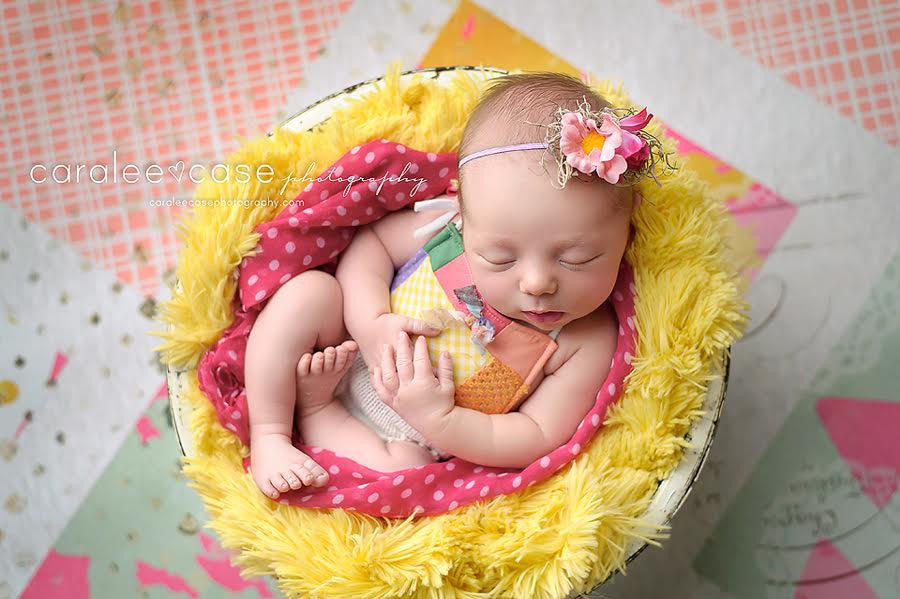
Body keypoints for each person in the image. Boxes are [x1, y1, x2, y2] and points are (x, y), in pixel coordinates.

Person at [245, 71, 652, 500]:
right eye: (500, 258)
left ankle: (316, 411)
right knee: (309, 293)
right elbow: (371, 246)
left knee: (410, 470)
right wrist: (371, 323)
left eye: (577, 259)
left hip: (398, 436)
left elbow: (537, 434)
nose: (537, 283)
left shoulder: (586, 338)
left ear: (626, 230)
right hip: (344, 343)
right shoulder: (446, 226)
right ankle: (269, 431)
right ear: (463, 210)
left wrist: (440, 421)